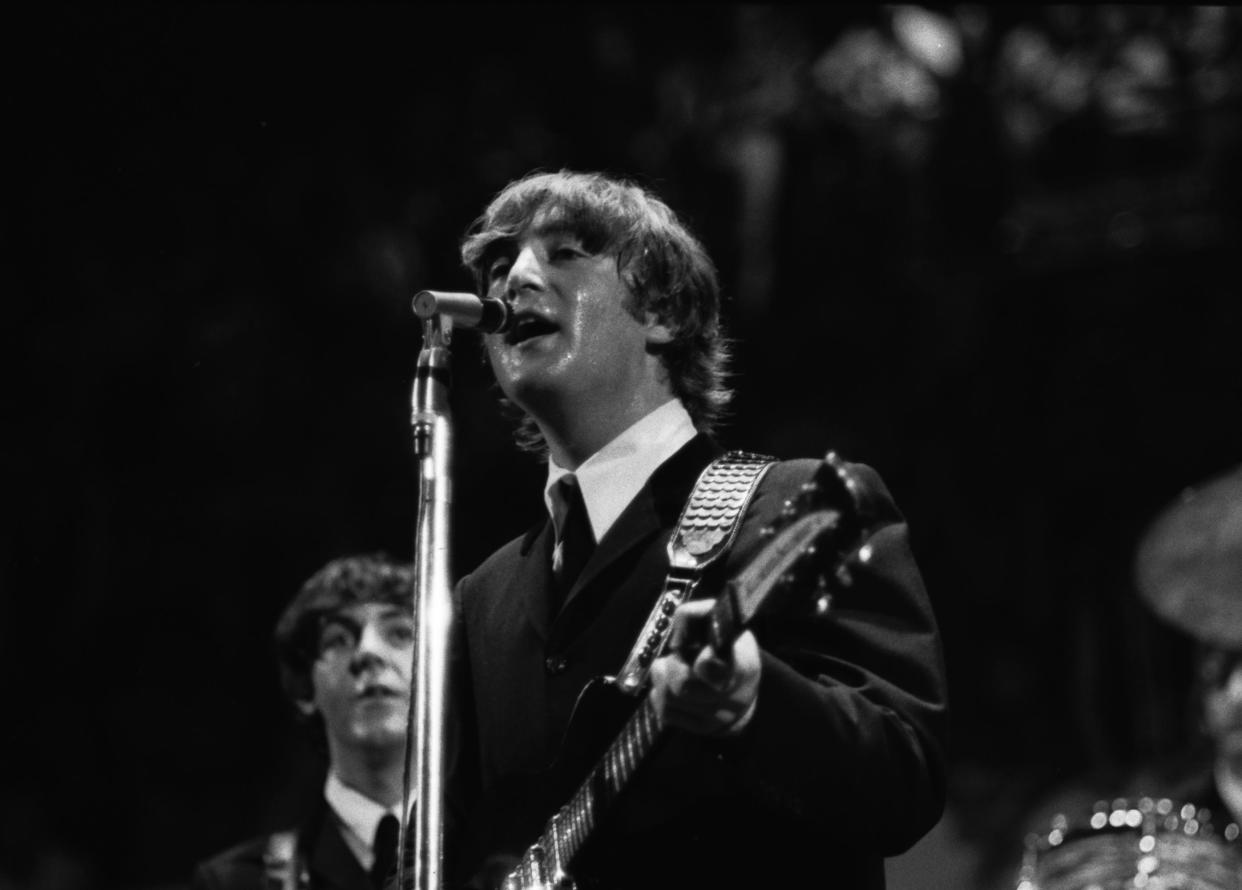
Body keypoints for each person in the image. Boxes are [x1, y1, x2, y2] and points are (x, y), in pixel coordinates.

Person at [442, 170, 948, 889]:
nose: (514, 278)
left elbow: (906, 780)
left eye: (563, 254)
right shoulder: (481, 600)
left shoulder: (789, 506)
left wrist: (756, 703)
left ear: (665, 311)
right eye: (499, 265)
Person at [192, 553, 416, 890]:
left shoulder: (495, 859)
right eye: (338, 639)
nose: (368, 652)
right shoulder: (235, 882)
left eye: (399, 633)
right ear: (305, 690)